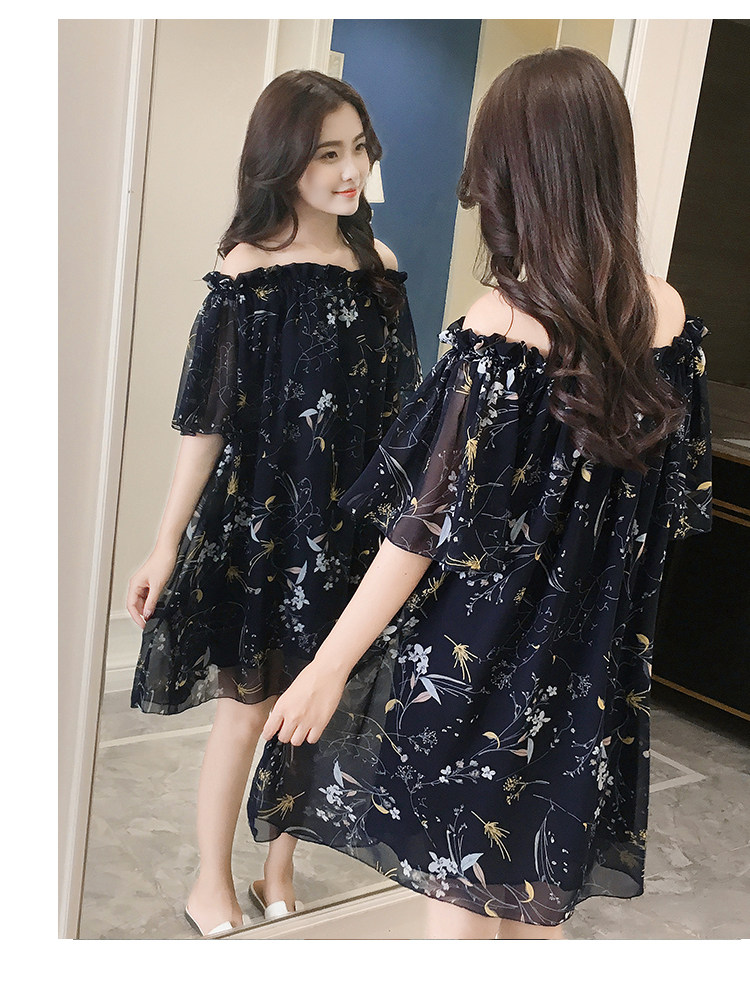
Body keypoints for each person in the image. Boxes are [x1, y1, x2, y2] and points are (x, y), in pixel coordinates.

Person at [247, 47, 713, 941]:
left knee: (457, 909)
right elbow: (666, 514)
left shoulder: (501, 326)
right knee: (535, 905)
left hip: (475, 659)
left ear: (514, 170)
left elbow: (419, 527)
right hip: (587, 667)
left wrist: (330, 664)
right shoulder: (669, 315)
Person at [126, 69, 422, 937]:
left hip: (350, 526)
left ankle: (278, 866)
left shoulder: (380, 267)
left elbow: (398, 415)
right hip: (264, 524)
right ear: (284, 159)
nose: (350, 170)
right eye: (328, 153)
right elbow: (207, 422)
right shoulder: (248, 270)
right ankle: (209, 879)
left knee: (315, 704)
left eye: (358, 149)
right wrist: (166, 541)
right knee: (247, 708)